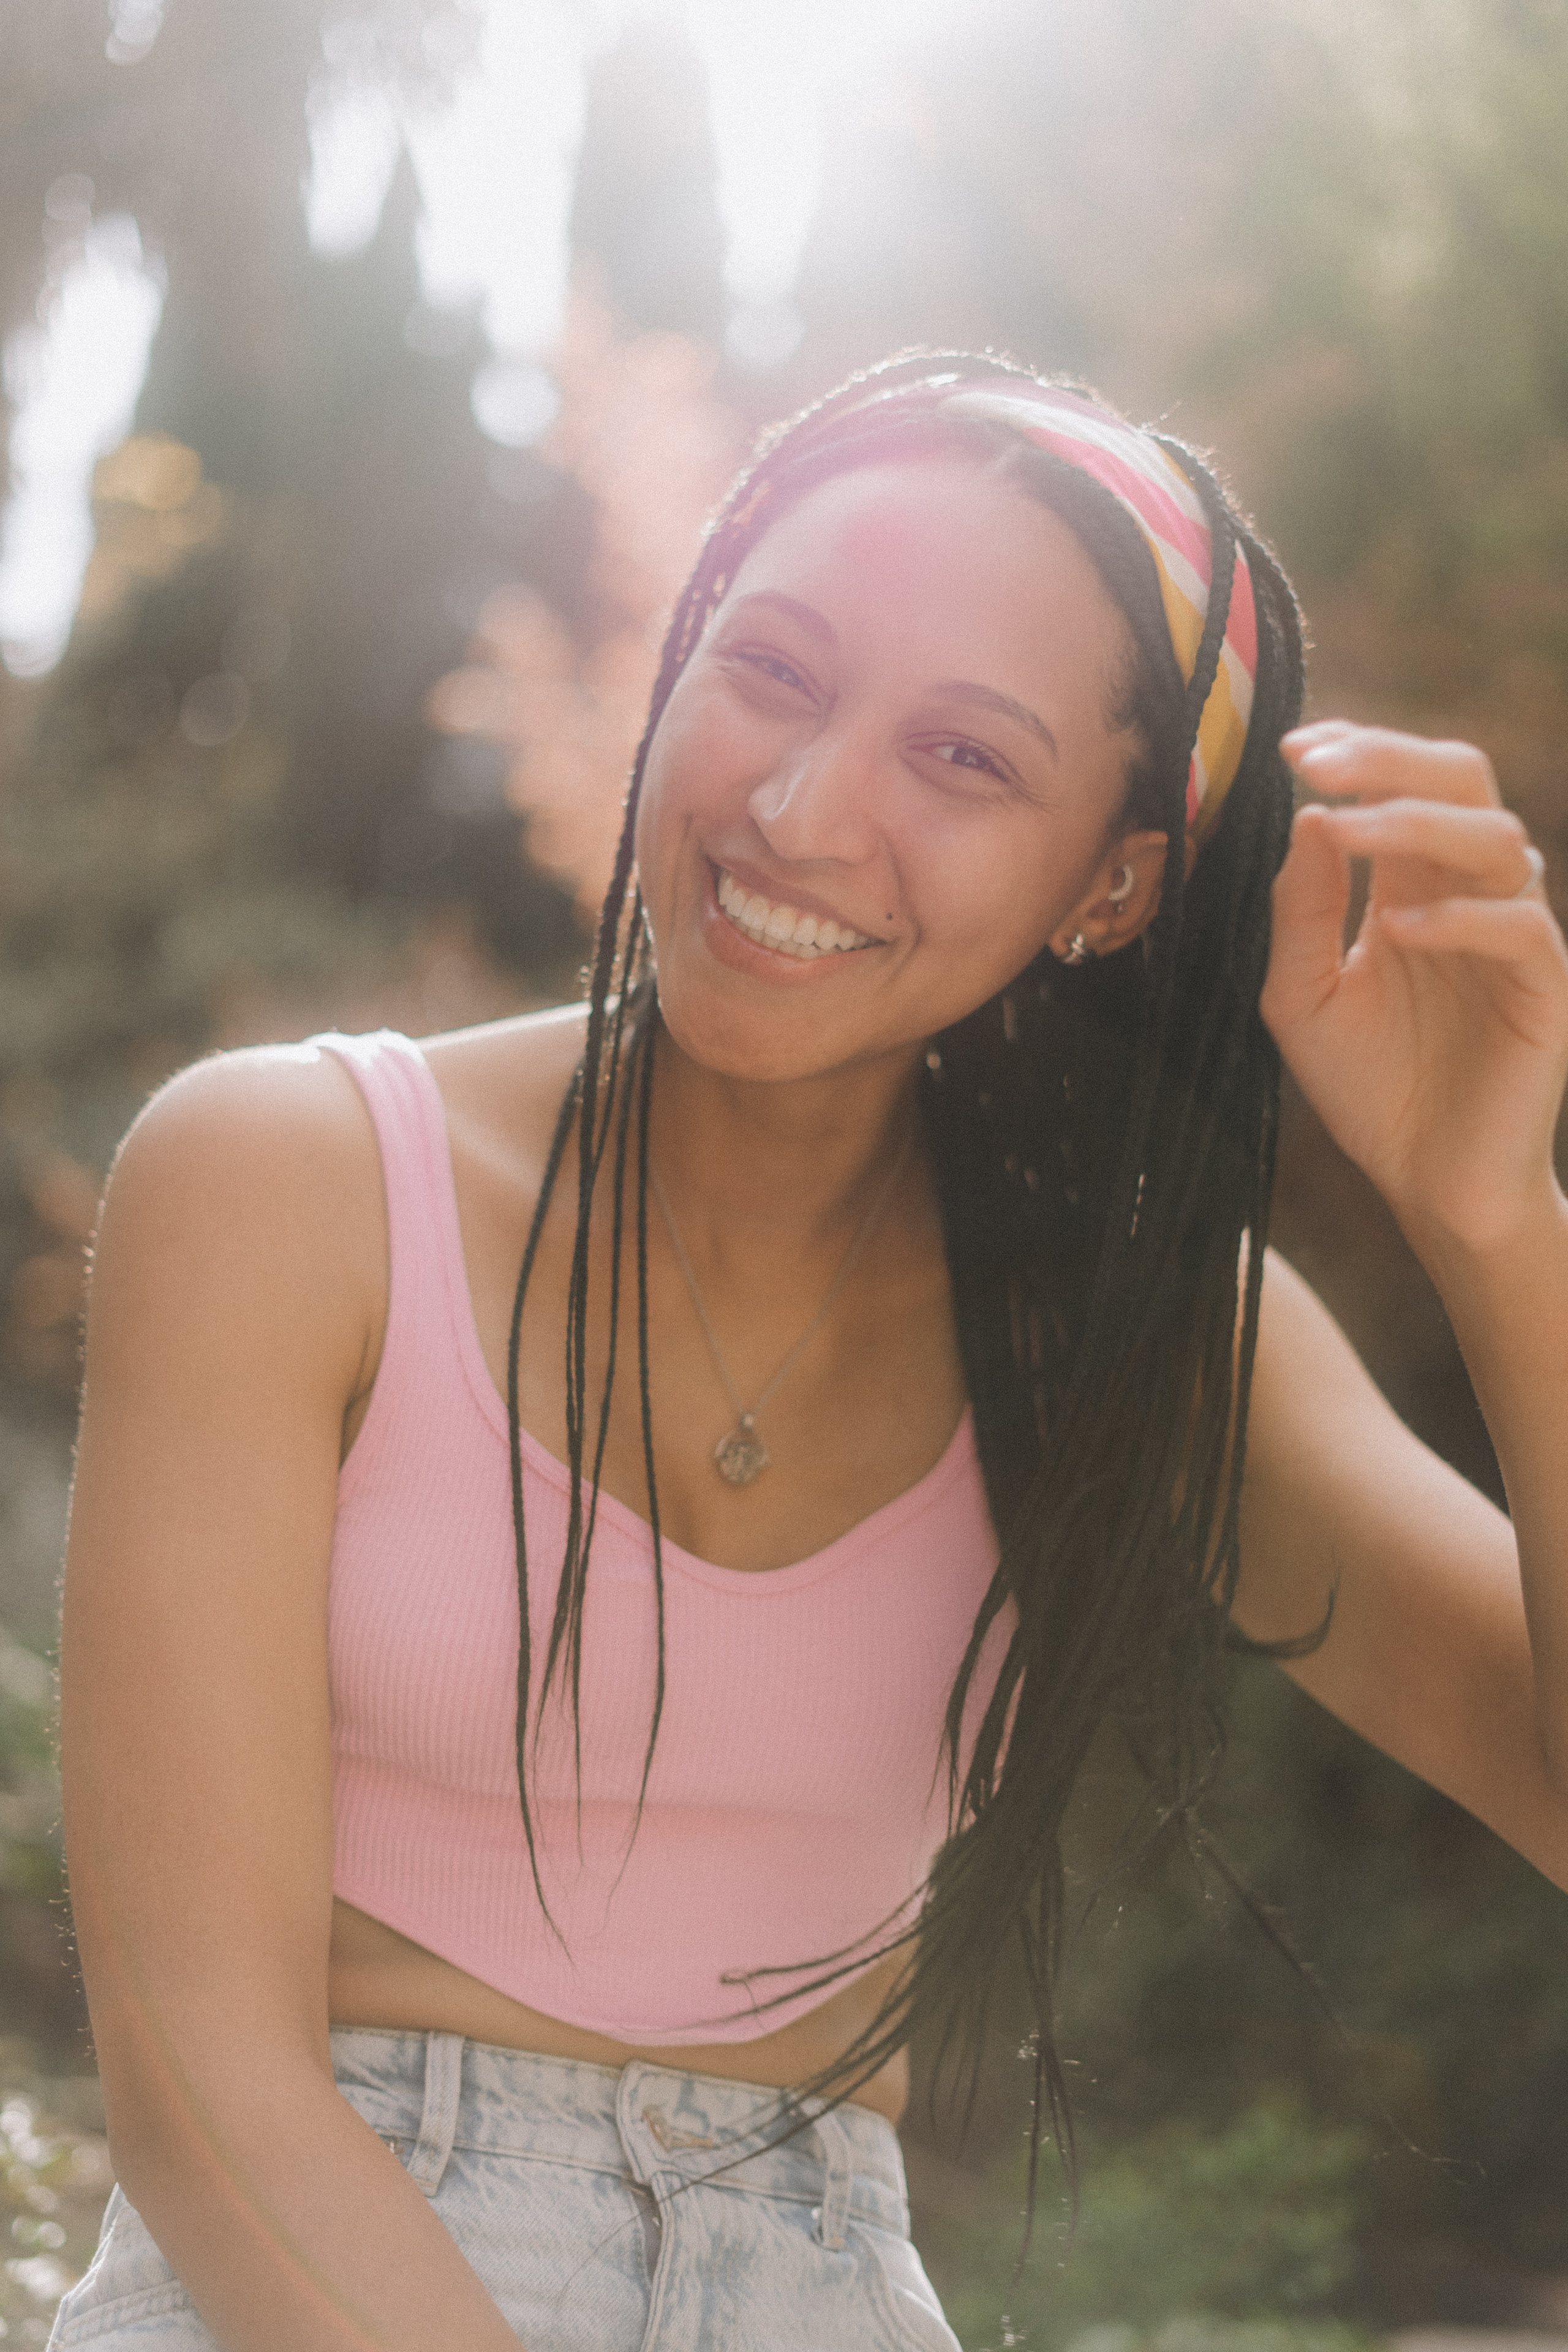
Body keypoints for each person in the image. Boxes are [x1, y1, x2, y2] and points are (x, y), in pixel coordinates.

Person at [51, 353, 1568, 2352]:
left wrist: (1497, 1230)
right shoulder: (286, 1184)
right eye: (770, 670)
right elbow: (205, 2086)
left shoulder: (1142, 1344)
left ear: (1111, 886)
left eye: (965, 759)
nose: (796, 809)